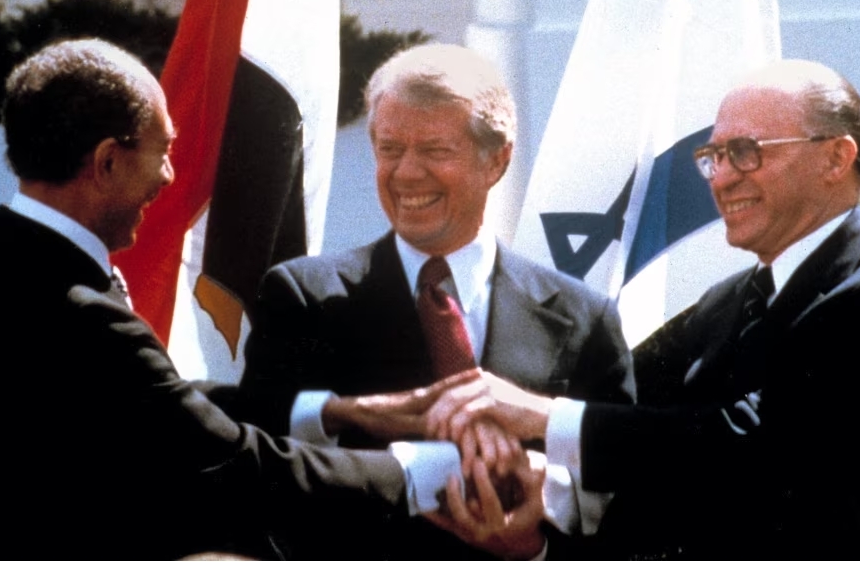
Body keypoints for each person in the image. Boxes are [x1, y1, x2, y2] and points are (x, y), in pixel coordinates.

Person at [0, 38, 471, 561]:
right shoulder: (79, 311)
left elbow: (147, 401)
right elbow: (223, 461)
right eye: (163, 151)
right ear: (107, 163)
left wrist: (334, 412)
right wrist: (426, 473)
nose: (169, 177)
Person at [424, 59, 860, 559]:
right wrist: (532, 522)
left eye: (747, 151)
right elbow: (629, 412)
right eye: (713, 157)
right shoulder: (725, 303)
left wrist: (540, 416)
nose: (721, 179)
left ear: (835, 158)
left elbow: (748, 451)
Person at [237, 43, 634, 559]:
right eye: (389, 148)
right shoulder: (304, 297)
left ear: (497, 160)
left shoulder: (585, 318)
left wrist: (531, 550)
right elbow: (254, 451)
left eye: (434, 150)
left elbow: (622, 499)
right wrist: (350, 414)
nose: (405, 173)